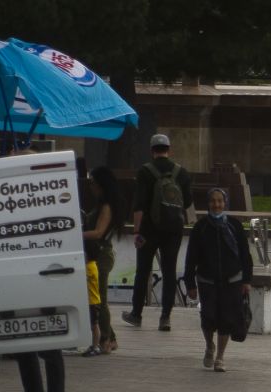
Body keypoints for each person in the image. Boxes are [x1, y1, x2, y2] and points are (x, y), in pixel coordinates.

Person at [123, 132, 192, 332]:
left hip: (148, 230)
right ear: (169, 150)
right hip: (173, 230)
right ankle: (165, 318)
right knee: (169, 272)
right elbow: (187, 202)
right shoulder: (181, 172)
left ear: (152, 150)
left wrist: (136, 231)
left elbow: (139, 204)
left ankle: (136, 314)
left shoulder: (145, 171)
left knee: (142, 271)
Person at [184, 188, 255, 374]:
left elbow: (245, 256)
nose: (217, 205)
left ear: (225, 203)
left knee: (226, 319)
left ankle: (220, 357)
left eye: (220, 201)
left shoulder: (234, 226)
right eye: (213, 201)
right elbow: (191, 257)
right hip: (207, 280)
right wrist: (190, 284)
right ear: (208, 203)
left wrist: (246, 280)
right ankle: (209, 345)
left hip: (231, 280)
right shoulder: (201, 228)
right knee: (208, 317)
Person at [81, 164, 121, 356]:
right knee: (98, 298)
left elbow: (98, 232)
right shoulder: (101, 204)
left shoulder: (106, 206)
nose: (91, 187)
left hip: (101, 255)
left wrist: (77, 234)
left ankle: (106, 339)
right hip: (98, 254)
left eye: (93, 184)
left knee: (100, 300)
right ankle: (110, 337)